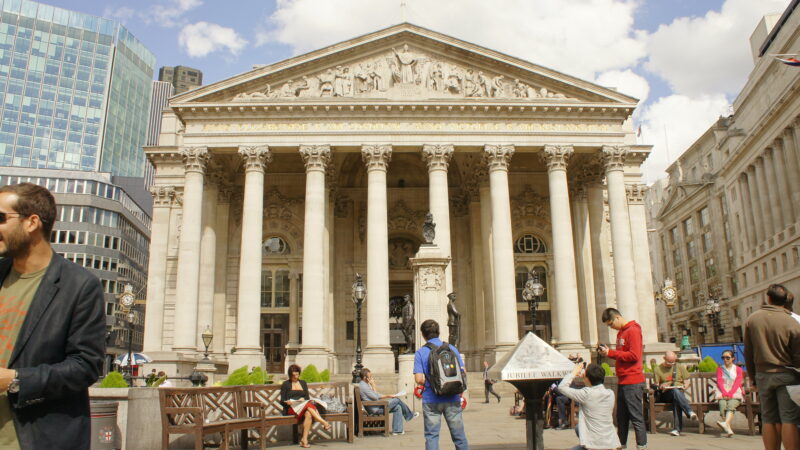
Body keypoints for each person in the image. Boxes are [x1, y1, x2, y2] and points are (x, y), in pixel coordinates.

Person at [0, 183, 106, 449]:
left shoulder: (80, 285)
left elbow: (86, 365)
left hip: (35, 437)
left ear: (31, 222)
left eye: (0, 218)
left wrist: (15, 380)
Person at [743, 284, 800, 450]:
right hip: (788, 375)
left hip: (763, 376)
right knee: (789, 419)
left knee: (768, 419)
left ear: (768, 298)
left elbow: (748, 352)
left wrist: (753, 378)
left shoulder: (753, 319)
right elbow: (798, 356)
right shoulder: (791, 321)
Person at [414, 319, 468, 450]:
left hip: (431, 399)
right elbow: (463, 372)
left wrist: (433, 383)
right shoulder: (452, 349)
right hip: (452, 397)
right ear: (439, 332)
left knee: (432, 436)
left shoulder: (421, 352)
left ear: (423, 334)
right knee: (459, 436)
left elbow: (419, 379)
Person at [597, 307, 647, 450]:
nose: (611, 327)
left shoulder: (633, 330)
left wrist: (611, 352)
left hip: (633, 379)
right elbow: (622, 354)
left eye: (610, 324)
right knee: (621, 417)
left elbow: (634, 356)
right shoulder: (621, 333)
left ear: (617, 318)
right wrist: (609, 352)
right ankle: (621, 445)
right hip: (623, 379)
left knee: (636, 417)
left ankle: (642, 446)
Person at [558, 362, 621, 450]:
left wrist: (574, 372)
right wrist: (587, 378)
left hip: (595, 445)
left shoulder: (586, 394)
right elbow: (593, 387)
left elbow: (561, 387)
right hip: (611, 442)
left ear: (587, 378)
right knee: (578, 428)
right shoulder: (610, 394)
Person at [280, 364, 331, 448]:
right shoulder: (286, 384)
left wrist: (302, 399)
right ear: (290, 375)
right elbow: (282, 400)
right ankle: (324, 422)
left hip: (303, 406)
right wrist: (287, 402)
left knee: (308, 414)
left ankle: (304, 440)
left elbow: (307, 397)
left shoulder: (303, 383)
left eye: (297, 374)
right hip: (291, 408)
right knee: (308, 405)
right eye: (294, 375)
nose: (296, 377)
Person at [358, 368, 418, 435]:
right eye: (370, 376)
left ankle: (397, 430)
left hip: (376, 406)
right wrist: (374, 385)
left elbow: (376, 395)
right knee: (397, 400)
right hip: (375, 409)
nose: (371, 378)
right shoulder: (364, 386)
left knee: (398, 407)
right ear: (364, 377)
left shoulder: (364, 384)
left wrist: (388, 395)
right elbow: (375, 397)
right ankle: (409, 415)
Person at [653, 351, 698, 436]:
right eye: (669, 362)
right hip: (666, 394)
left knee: (676, 398)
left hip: (678, 392)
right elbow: (656, 385)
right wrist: (662, 385)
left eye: (673, 362)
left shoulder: (679, 367)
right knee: (675, 392)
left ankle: (676, 430)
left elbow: (687, 381)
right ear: (664, 358)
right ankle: (689, 411)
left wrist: (686, 385)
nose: (671, 364)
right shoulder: (658, 369)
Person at [714, 349, 744, 437]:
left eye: (727, 358)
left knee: (731, 404)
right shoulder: (720, 369)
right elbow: (719, 381)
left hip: (735, 391)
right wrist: (724, 392)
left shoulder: (738, 369)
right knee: (722, 404)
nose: (725, 360)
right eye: (723, 357)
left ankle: (726, 423)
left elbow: (738, 382)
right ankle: (728, 427)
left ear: (733, 358)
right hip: (723, 390)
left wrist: (731, 393)